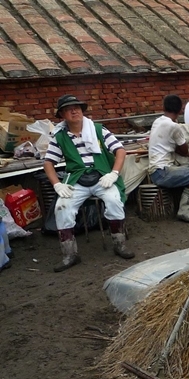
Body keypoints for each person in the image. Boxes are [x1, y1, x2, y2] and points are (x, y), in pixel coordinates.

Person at [43, 94, 134, 272]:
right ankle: (70, 254)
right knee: (62, 207)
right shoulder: (59, 136)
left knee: (114, 201)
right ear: (62, 114)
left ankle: (119, 244)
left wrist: (114, 173)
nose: (74, 111)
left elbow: (120, 151)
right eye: (69, 109)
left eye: (77, 107)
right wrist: (57, 184)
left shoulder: (99, 129)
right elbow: (48, 163)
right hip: (77, 179)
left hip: (102, 176)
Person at [148, 94, 189, 223]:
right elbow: (184, 150)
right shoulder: (174, 127)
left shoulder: (158, 121)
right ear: (180, 110)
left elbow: (174, 146)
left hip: (156, 170)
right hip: (163, 172)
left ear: (164, 107)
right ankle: (185, 209)